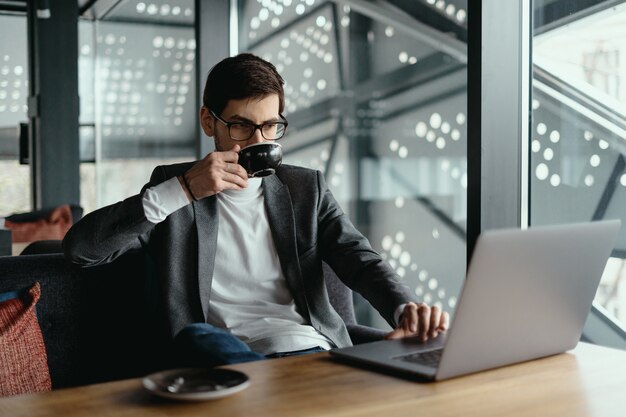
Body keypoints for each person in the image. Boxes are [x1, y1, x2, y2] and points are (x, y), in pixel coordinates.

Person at [63, 53, 448, 367]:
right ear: (207, 121)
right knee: (198, 338)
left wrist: (404, 309)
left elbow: (359, 259)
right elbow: (81, 250)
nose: (258, 141)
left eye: (270, 126)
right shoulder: (173, 187)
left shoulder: (305, 188)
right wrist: (182, 190)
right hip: (218, 354)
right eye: (241, 127)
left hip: (308, 350)